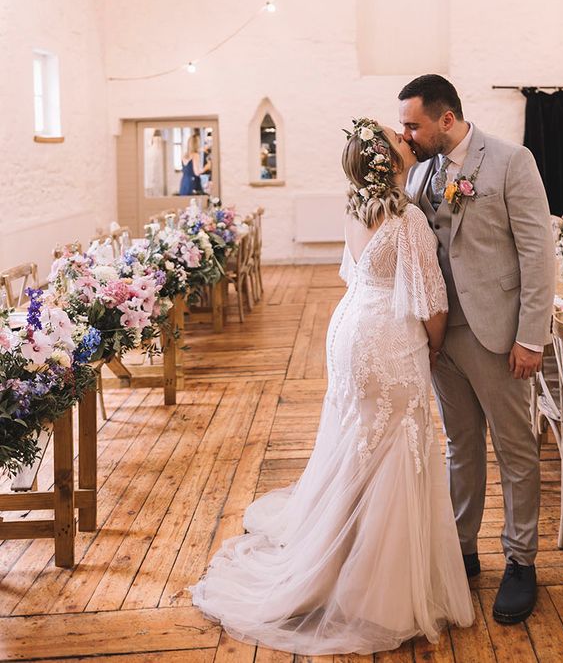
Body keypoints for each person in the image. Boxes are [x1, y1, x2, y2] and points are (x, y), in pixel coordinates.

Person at [190, 118, 474, 655]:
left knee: (358, 443)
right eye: (396, 139)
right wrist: (435, 343)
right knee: (395, 449)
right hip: (388, 338)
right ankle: (375, 590)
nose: (404, 139)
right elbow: (431, 299)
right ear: (389, 162)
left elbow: (356, 273)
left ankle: (342, 554)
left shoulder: (355, 208)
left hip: (349, 329)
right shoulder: (408, 217)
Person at [399, 74, 555, 624]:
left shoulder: (513, 161)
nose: (407, 134)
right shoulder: (421, 173)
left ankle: (521, 560)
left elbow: (538, 253)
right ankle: (463, 549)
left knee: (515, 450)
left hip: (499, 334)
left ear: (446, 119)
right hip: (442, 336)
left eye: (413, 124)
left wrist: (530, 336)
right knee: (459, 446)